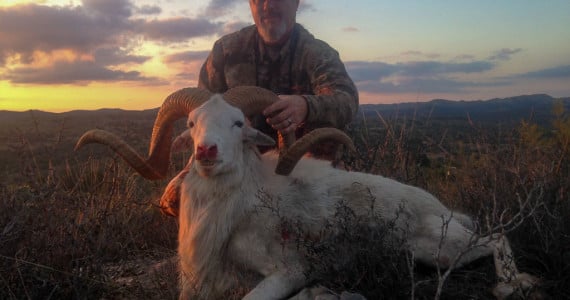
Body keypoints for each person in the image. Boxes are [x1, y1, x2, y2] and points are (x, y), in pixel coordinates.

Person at [159, 0, 358, 216]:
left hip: (298, 162)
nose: (268, 5)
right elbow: (203, 111)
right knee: (175, 199)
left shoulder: (318, 53)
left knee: (335, 207)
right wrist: (228, 124)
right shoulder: (226, 51)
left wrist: (305, 106)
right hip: (237, 157)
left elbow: (346, 99)